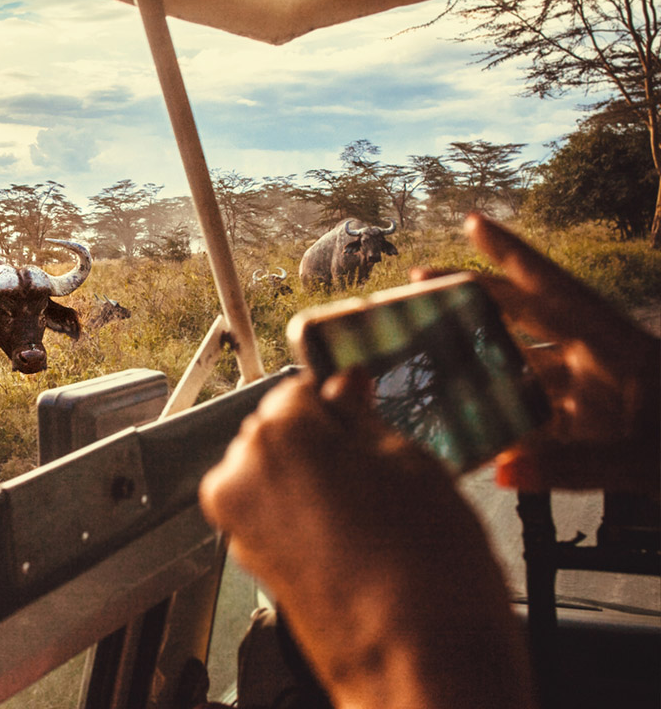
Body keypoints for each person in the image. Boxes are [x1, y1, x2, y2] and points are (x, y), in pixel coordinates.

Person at [198, 213, 660, 709]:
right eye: (366, 249)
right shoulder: (336, 250)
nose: (371, 254)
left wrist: (389, 649)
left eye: (376, 249)